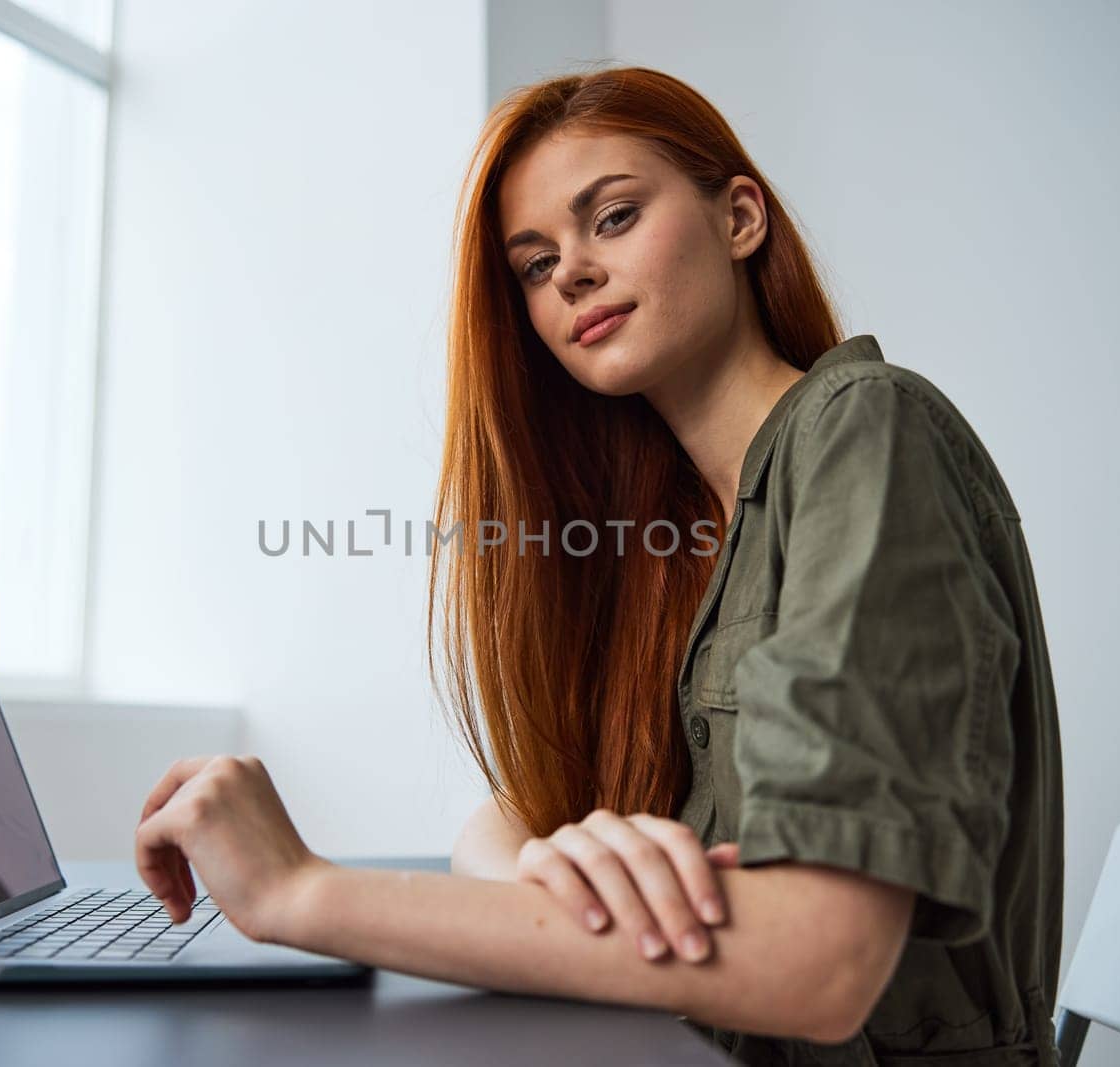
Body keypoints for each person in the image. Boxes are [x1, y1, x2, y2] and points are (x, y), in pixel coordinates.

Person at [134, 65, 1064, 1065]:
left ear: (739, 217)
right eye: (534, 264)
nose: (569, 271)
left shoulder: (864, 431)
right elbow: (514, 810)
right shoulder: (683, 536)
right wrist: (549, 862)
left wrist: (301, 890)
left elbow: (817, 962)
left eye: (612, 218)